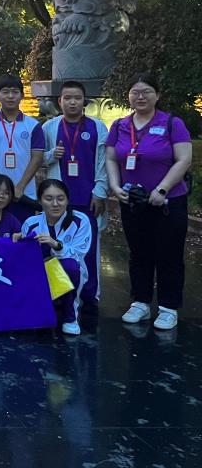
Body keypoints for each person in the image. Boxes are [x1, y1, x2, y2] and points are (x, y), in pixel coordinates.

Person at [105, 73, 192, 330]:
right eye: (135, 92)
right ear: (129, 96)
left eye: (146, 92)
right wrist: (115, 186)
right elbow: (111, 158)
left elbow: (184, 159)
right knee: (138, 253)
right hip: (132, 201)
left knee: (169, 254)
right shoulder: (119, 126)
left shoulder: (172, 123)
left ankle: (168, 307)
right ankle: (140, 302)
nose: (140, 96)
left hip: (167, 202)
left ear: (157, 95)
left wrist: (162, 189)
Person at [42, 80, 109, 314]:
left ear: (84, 102)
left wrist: (100, 192)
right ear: (59, 101)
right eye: (67, 98)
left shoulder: (97, 127)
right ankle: (60, 294)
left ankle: (90, 295)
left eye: (77, 98)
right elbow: (38, 159)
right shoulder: (50, 127)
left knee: (88, 248)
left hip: (88, 198)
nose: (72, 102)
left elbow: (103, 162)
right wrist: (52, 155)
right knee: (57, 247)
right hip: (57, 201)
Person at [21, 179, 92, 336]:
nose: (55, 204)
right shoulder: (31, 223)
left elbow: (79, 253)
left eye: (60, 198)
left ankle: (70, 316)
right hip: (40, 273)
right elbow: (24, 256)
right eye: (48, 199)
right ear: (40, 201)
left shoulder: (80, 220)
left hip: (69, 273)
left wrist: (56, 245)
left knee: (70, 266)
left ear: (67, 200)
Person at [0, 73, 45, 221]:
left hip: (24, 194)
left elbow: (37, 158)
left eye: (15, 92)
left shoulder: (33, 125)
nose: (10, 96)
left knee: (23, 232)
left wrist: (20, 186)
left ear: (22, 96)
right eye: (5, 92)